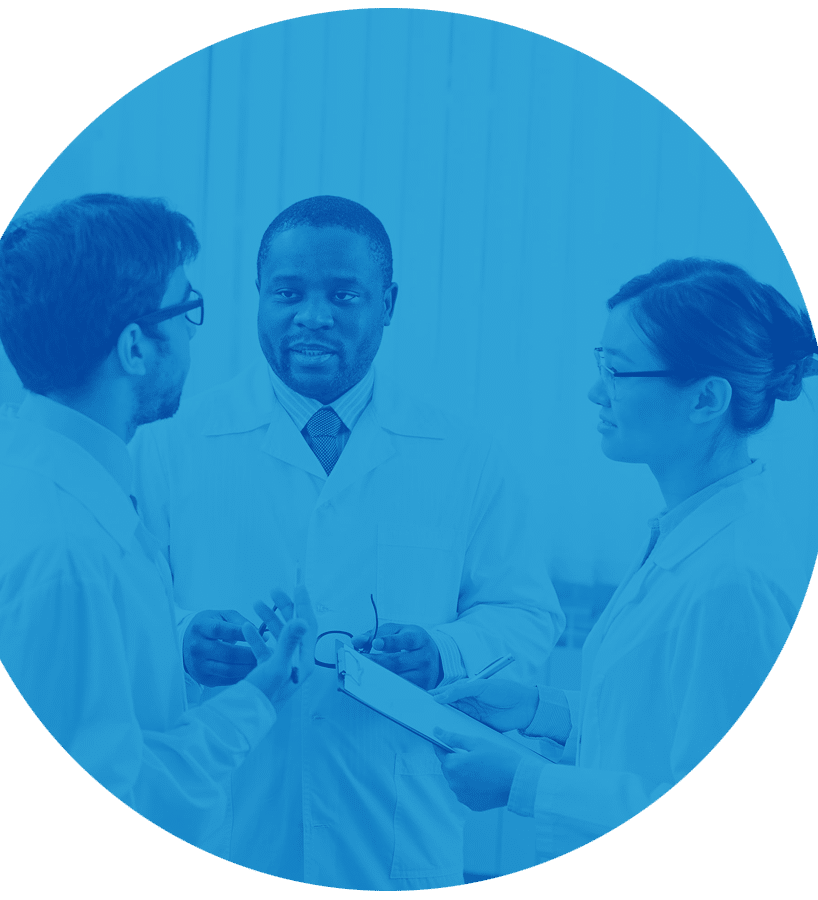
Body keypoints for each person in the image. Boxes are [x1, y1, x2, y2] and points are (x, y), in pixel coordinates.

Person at [130, 195, 565, 888]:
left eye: (343, 294)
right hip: (227, 810)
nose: (312, 316)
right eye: (289, 292)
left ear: (388, 303)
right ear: (258, 298)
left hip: (394, 825)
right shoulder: (167, 446)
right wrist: (182, 639)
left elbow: (526, 615)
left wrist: (443, 651)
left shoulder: (465, 456)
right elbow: (123, 609)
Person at [0, 194, 316, 859]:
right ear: (135, 347)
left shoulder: (23, 475)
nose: (192, 331)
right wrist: (258, 699)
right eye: (185, 309)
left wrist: (173, 638)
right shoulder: (65, 551)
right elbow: (122, 805)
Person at [432, 258, 818, 863]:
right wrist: (540, 710)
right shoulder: (692, 533)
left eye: (617, 372)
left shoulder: (736, 578)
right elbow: (663, 727)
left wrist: (524, 784)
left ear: (706, 400)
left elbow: (727, 818)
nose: (595, 391)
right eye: (600, 364)